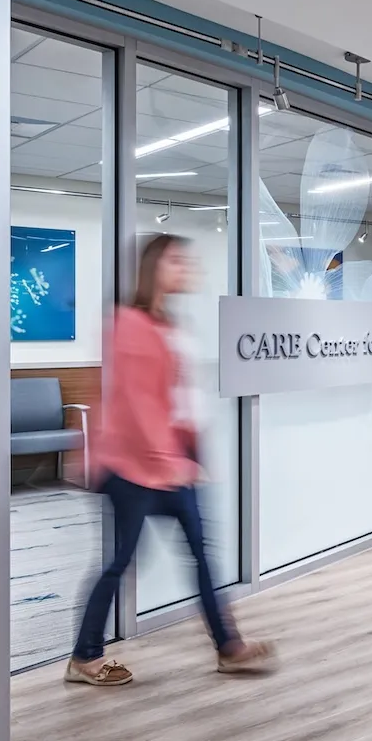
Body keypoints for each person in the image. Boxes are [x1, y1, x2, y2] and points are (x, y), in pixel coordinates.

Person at [66, 233, 274, 687]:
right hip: (132, 467)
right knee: (122, 560)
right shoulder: (128, 323)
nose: (186, 267)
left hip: (171, 463)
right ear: (153, 268)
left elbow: (178, 400)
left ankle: (229, 648)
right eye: (176, 260)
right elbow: (137, 404)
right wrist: (169, 459)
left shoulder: (168, 324)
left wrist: (192, 453)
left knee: (201, 553)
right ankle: (84, 656)